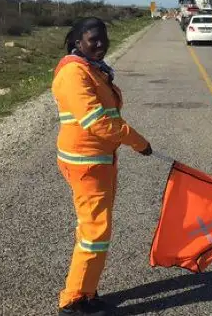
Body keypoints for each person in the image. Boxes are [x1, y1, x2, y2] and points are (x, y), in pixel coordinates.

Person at [51, 16, 152, 315]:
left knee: (92, 229)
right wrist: (138, 142)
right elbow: (99, 122)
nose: (100, 44)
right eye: (93, 39)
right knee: (95, 232)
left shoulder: (91, 70)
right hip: (86, 163)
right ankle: (73, 301)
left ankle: (87, 290)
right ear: (77, 41)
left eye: (103, 39)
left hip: (98, 160)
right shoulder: (73, 73)